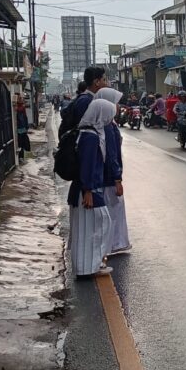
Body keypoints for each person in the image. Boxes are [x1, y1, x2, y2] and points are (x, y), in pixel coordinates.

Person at [67, 99, 116, 277]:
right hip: (86, 191)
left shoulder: (89, 133)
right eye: (109, 114)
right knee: (101, 224)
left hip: (86, 189)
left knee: (89, 228)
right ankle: (88, 267)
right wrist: (87, 190)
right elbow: (87, 165)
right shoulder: (90, 137)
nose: (111, 119)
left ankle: (89, 267)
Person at [95, 89, 131, 255]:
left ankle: (114, 243)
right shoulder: (107, 126)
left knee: (112, 210)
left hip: (107, 176)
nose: (117, 106)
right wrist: (117, 178)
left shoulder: (107, 122)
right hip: (109, 177)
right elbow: (111, 154)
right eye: (114, 103)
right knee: (113, 210)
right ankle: (114, 244)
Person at [59, 66, 108, 138]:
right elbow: (85, 132)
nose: (106, 84)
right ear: (97, 82)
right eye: (104, 80)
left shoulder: (89, 99)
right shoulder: (86, 102)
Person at [15, 94, 30, 163]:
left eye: (21, 98)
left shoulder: (21, 108)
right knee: (21, 143)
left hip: (22, 128)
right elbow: (24, 118)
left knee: (22, 143)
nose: (21, 99)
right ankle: (20, 157)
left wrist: (26, 127)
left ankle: (21, 157)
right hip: (20, 128)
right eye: (20, 98)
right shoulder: (18, 108)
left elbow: (25, 118)